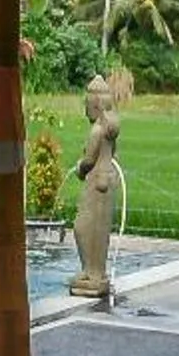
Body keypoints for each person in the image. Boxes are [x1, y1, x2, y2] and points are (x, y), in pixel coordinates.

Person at [69, 74, 121, 300]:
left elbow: (89, 161)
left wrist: (79, 169)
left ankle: (90, 272)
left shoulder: (97, 131)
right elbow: (113, 155)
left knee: (81, 227)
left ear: (96, 105)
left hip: (95, 181)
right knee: (99, 229)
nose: (85, 109)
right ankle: (97, 272)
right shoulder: (109, 130)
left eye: (87, 104)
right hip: (107, 180)